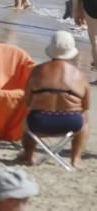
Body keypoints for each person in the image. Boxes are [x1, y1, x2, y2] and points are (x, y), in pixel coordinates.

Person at [17, 30, 89, 168]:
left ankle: (29, 154)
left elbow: (27, 101)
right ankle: (76, 158)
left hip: (38, 123)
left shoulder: (37, 71)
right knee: (85, 120)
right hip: (71, 124)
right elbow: (85, 106)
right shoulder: (80, 75)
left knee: (26, 118)